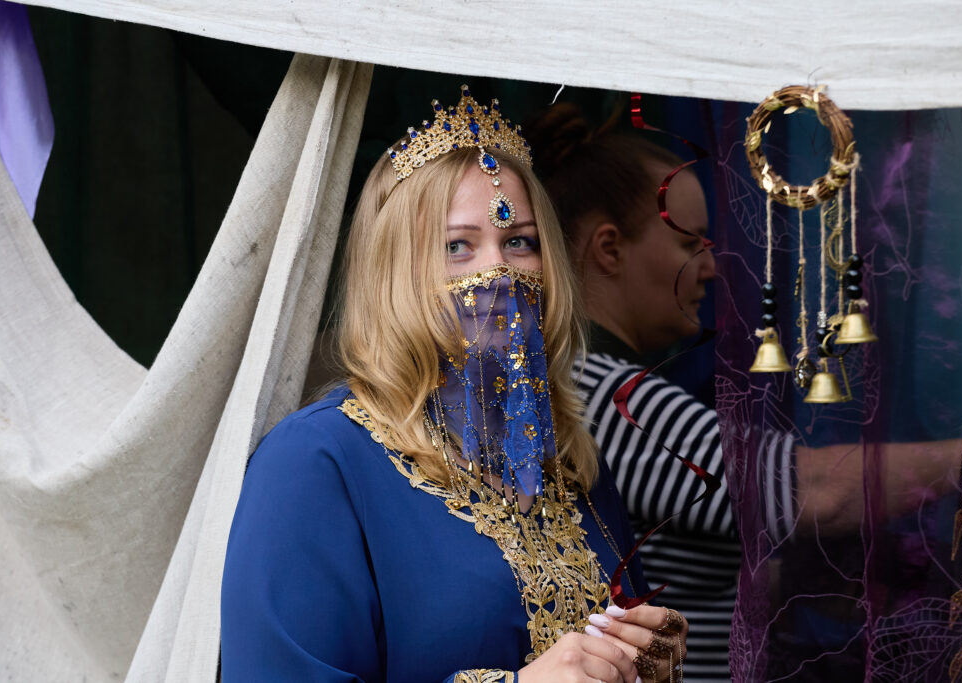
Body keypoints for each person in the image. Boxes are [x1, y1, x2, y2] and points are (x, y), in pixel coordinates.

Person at [220, 86, 690, 683]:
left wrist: (643, 659)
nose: (498, 270)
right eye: (457, 247)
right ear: (396, 273)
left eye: (518, 241)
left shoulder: (570, 464)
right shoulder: (316, 461)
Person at [524, 103, 962, 682]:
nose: (711, 267)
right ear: (609, 249)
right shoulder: (598, 393)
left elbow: (686, 575)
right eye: (690, 244)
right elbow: (817, 490)